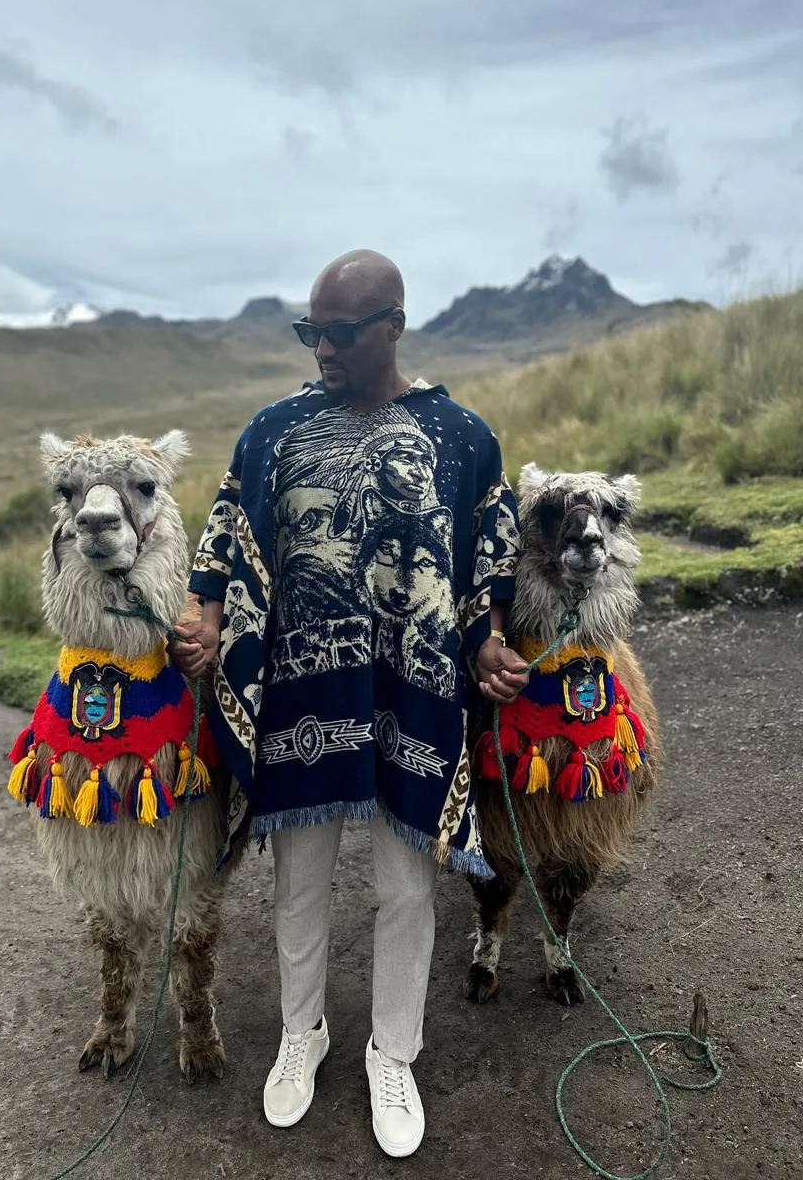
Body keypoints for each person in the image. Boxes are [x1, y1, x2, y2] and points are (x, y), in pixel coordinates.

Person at [172, 249, 528, 1158]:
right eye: (310, 331)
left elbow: (487, 554)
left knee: (407, 882)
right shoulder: (275, 431)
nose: (321, 347)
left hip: (414, 690)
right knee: (300, 880)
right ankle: (304, 1034)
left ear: (395, 326)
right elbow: (226, 533)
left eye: (339, 332)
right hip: (301, 690)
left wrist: (488, 638)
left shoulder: (461, 437)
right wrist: (205, 618)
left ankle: (392, 1051)